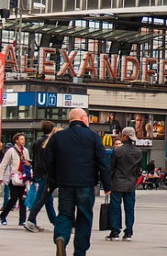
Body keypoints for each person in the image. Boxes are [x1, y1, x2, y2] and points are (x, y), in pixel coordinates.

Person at [44, 108, 112, 256]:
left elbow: (48, 160)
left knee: (64, 214)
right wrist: (107, 185)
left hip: (65, 184)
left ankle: (61, 237)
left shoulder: (58, 137)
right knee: (84, 217)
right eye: (87, 117)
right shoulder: (93, 137)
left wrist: (54, 179)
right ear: (82, 118)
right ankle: (80, 252)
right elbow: (103, 162)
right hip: (86, 184)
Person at [106, 127, 142, 241]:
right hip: (130, 183)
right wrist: (134, 178)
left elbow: (111, 168)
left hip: (117, 183)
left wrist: (108, 182)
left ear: (125, 136)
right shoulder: (138, 152)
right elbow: (138, 170)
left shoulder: (117, 151)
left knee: (115, 208)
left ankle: (115, 231)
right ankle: (128, 232)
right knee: (129, 209)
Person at [25, 121, 59, 232]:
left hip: (38, 173)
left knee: (47, 199)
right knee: (41, 198)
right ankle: (31, 221)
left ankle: (54, 222)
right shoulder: (50, 142)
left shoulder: (37, 142)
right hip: (46, 174)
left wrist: (34, 173)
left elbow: (35, 159)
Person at [0, 131, 31, 226]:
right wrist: (1, 177)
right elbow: (3, 164)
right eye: (21, 139)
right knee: (13, 198)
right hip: (13, 177)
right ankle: (3, 216)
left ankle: (22, 220)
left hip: (23, 178)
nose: (23, 141)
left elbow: (27, 162)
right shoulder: (11, 151)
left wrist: (28, 164)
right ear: (16, 140)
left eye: (24, 139)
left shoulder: (25, 150)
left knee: (23, 199)